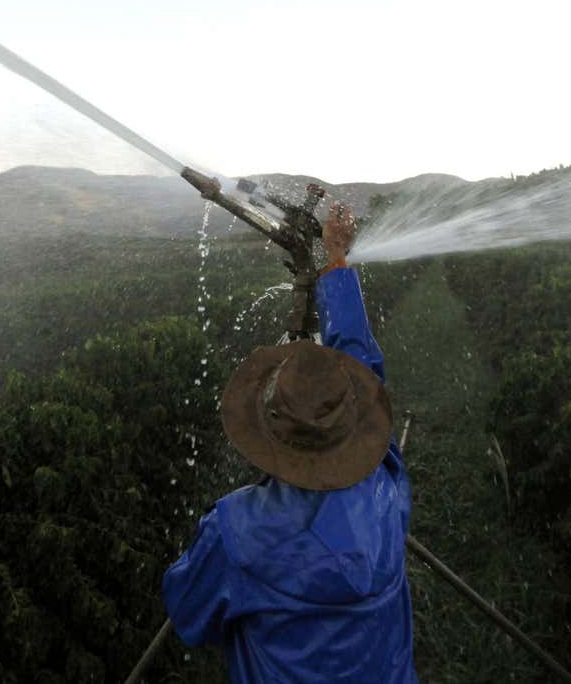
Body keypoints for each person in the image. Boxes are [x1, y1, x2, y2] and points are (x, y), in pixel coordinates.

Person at [162, 204, 416, 683]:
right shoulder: (386, 486)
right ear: (352, 425)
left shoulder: (235, 530)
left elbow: (189, 615)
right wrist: (337, 262)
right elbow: (362, 374)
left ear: (268, 432)